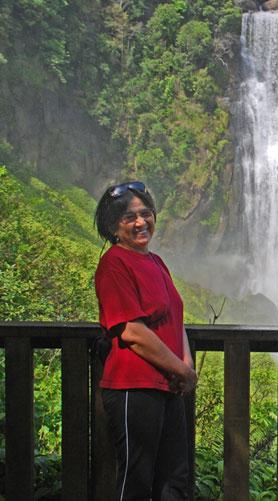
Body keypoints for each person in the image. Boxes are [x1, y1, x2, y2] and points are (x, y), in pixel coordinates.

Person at [94, 181, 197, 500]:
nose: (140, 222)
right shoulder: (114, 264)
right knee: (136, 480)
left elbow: (174, 317)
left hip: (168, 386)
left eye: (145, 213)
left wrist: (186, 364)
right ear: (113, 226)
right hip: (133, 388)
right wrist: (181, 371)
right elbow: (132, 332)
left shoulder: (156, 262)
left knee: (174, 479)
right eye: (129, 217)